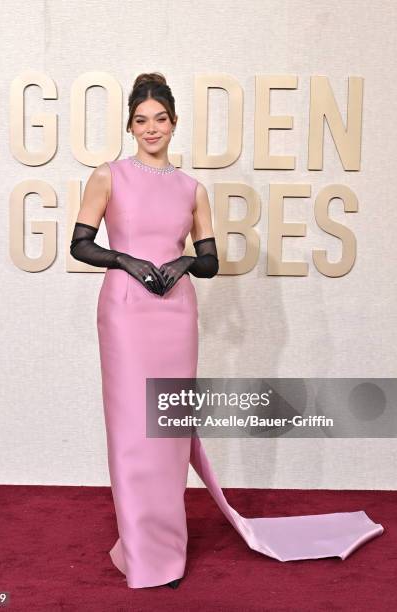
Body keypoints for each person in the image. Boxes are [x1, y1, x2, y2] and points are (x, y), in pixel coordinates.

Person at [70, 73, 384, 590]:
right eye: (142, 120)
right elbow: (82, 244)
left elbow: (212, 260)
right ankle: (146, 554)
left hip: (176, 315)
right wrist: (126, 259)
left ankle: (164, 547)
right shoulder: (108, 176)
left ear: (174, 124)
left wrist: (185, 262)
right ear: (130, 125)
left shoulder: (192, 188)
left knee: (166, 432)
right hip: (126, 315)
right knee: (132, 433)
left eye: (161, 119)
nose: (152, 129)